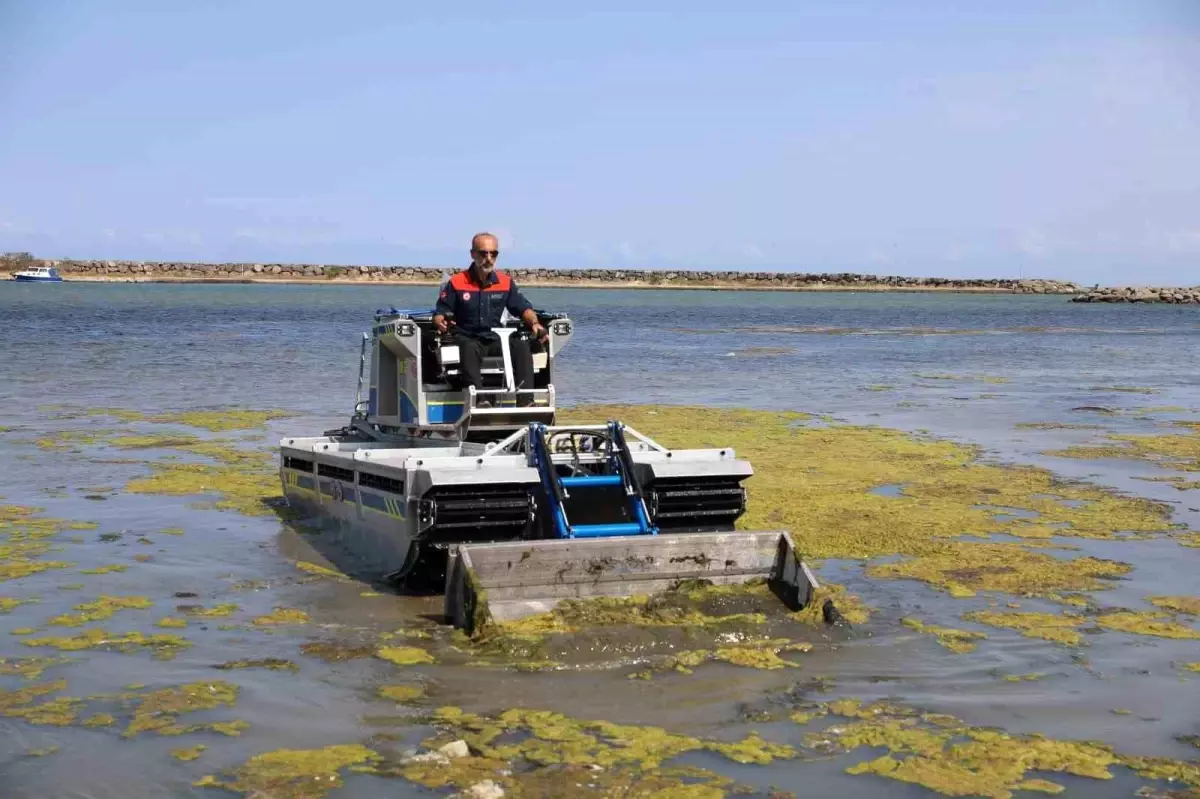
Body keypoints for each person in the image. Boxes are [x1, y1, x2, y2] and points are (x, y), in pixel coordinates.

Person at [432, 232, 548, 407]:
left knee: (521, 345)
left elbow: (523, 308)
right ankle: (481, 400)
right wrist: (440, 320)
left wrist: (535, 323)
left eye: (493, 254)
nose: (488, 258)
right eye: (483, 253)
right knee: (469, 347)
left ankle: (526, 401)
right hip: (468, 337)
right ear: (473, 254)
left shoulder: (505, 282)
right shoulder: (457, 282)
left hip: (495, 338)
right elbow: (442, 310)